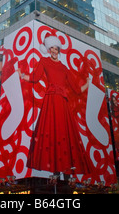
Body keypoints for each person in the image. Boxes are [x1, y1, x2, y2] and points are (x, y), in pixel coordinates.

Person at [18, 33, 90, 176]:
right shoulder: (44, 62)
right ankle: (54, 169)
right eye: (51, 48)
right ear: (48, 49)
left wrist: (88, 83)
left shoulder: (64, 68)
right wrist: (21, 75)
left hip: (62, 104)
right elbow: (35, 78)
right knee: (51, 132)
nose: (54, 51)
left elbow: (76, 89)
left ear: (59, 50)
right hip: (50, 101)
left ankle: (67, 168)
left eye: (56, 49)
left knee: (64, 132)